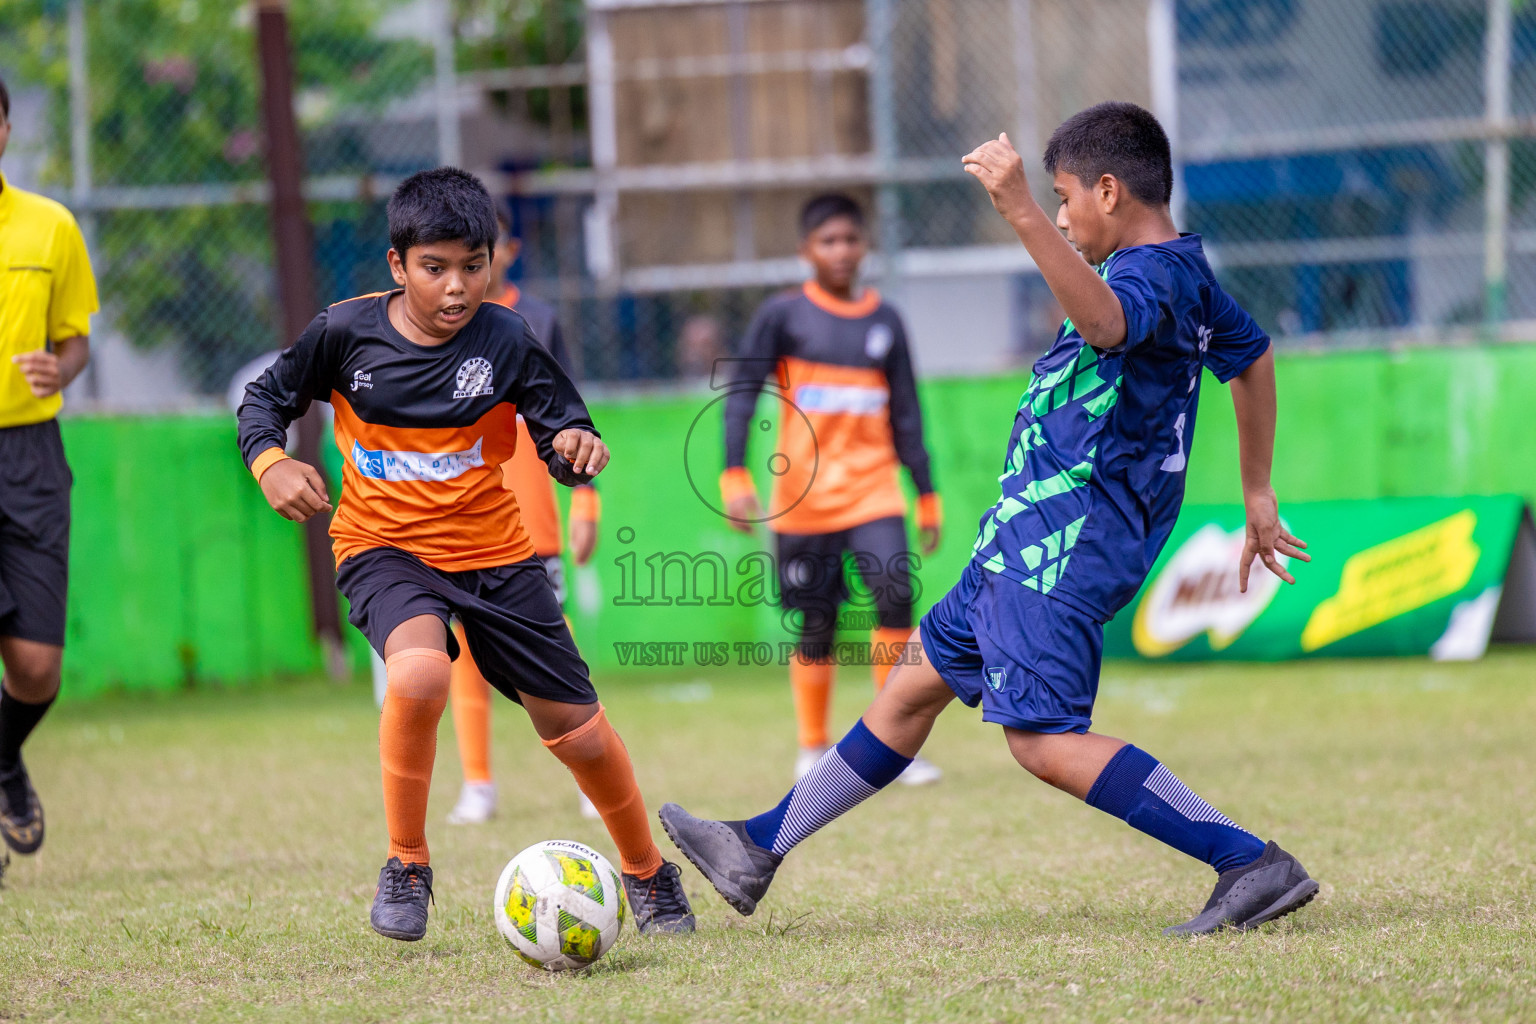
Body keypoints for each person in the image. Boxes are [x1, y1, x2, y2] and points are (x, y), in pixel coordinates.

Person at [661, 103, 1319, 936]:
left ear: (1109, 191)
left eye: (1066, 196)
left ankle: (1247, 861)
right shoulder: (1184, 272)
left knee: (1041, 741)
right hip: (1023, 542)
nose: (1065, 213)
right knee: (908, 694)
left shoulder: (1147, 275)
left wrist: (1018, 211)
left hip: (1061, 549)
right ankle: (758, 846)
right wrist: (1255, 490)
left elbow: (1108, 328)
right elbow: (1251, 357)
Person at [238, 167, 692, 941]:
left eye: (472, 267)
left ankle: (650, 875)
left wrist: (575, 449)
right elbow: (265, 400)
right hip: (385, 547)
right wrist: (271, 463)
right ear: (397, 265)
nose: (456, 288)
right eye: (434, 268)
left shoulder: (509, 338)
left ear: (494, 262)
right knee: (418, 674)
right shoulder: (344, 333)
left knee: (577, 731)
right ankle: (406, 864)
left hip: (496, 556)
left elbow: (560, 430)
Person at [722, 193, 943, 785]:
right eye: (828, 241)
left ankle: (894, 749)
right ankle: (814, 746)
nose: (841, 251)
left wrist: (926, 492)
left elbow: (907, 413)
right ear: (805, 251)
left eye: (851, 239)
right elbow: (741, 393)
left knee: (895, 592)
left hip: (875, 492)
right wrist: (733, 471)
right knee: (816, 621)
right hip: (804, 499)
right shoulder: (783, 316)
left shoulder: (885, 320)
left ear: (865, 246)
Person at [445, 207, 601, 826]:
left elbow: (571, 415)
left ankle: (591, 775)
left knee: (555, 654)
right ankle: (477, 783)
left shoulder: (535, 321)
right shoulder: (433, 327)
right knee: (458, 650)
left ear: (503, 250)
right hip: (456, 526)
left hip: (532, 527)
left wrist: (586, 497)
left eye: (483, 249)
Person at [0, 74, 98, 859]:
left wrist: (58, 373)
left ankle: (4, 755)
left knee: (35, 669)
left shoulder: (49, 226)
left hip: (30, 456)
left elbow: (76, 342)